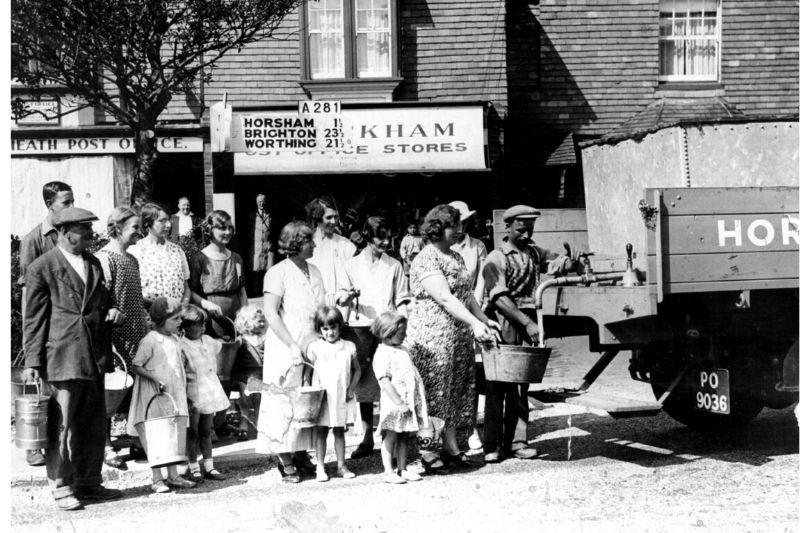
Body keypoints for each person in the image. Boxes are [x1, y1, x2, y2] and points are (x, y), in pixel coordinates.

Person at [23, 206, 124, 510]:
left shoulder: (92, 263)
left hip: (94, 356)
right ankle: (61, 486)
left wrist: (112, 310)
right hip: (62, 356)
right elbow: (34, 320)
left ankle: (89, 482)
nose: (92, 235)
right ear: (65, 233)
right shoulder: (42, 267)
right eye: (85, 230)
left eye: (91, 229)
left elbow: (103, 302)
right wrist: (32, 362)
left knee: (93, 424)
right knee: (62, 425)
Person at [405, 204, 499, 471]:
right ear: (437, 228)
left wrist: (483, 319)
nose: (459, 230)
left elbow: (466, 296)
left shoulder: (455, 257)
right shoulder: (426, 258)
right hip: (433, 338)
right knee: (434, 394)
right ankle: (427, 451)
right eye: (454, 225)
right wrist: (473, 322)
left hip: (457, 337)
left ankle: (451, 447)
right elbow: (445, 297)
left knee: (456, 392)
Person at [481, 205, 577, 463]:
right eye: (521, 230)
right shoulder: (496, 258)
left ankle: (518, 443)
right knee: (497, 385)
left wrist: (571, 261)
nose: (526, 234)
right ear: (508, 228)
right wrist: (527, 323)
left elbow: (555, 262)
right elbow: (499, 298)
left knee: (520, 385)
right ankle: (492, 445)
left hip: (526, 322)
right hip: (502, 323)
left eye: (530, 229)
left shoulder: (533, 252)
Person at [254, 221, 324, 483]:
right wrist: (293, 345)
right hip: (285, 345)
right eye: (309, 241)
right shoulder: (277, 272)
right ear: (295, 244)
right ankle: (284, 456)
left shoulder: (315, 270)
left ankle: (301, 451)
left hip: (311, 342)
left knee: (307, 399)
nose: (314, 245)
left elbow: (320, 307)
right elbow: (271, 313)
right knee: (284, 397)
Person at [341, 216, 411, 460]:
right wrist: (346, 297)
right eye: (380, 237)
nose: (386, 241)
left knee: (390, 380)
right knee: (365, 382)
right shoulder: (352, 265)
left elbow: (402, 297)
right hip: (360, 327)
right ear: (367, 237)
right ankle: (366, 437)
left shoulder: (394, 264)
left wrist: (402, 327)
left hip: (387, 328)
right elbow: (341, 295)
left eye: (388, 236)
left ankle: (390, 436)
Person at [18, 180, 74, 467]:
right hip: (46, 320)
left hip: (68, 321)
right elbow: (29, 292)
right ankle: (34, 443)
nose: (71, 206)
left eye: (72, 200)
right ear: (49, 205)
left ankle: (62, 443)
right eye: (66, 202)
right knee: (40, 384)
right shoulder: (34, 240)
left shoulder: (72, 235)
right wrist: (31, 344)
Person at [95, 207, 150, 470]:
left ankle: (136, 439)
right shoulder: (104, 259)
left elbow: (132, 297)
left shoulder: (132, 259)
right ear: (117, 229)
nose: (139, 232)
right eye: (134, 227)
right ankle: (105, 446)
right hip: (114, 336)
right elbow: (99, 300)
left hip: (137, 332)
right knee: (111, 390)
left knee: (136, 386)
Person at [127, 297, 196, 493]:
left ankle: (174, 475)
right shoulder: (150, 340)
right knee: (157, 434)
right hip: (155, 395)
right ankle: (157, 478)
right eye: (175, 319)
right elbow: (136, 365)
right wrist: (155, 379)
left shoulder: (174, 339)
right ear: (160, 321)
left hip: (174, 392)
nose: (180, 322)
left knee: (172, 433)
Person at [448, 200, 489, 453]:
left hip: (472, 313)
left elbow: (482, 280)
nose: (461, 226)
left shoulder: (477, 246)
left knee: (473, 374)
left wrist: (477, 315)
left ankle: (472, 426)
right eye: (457, 221)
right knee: (451, 375)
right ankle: (450, 429)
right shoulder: (441, 247)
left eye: (464, 221)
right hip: (449, 315)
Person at [372, 311, 428, 484]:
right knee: (391, 436)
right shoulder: (382, 354)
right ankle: (388, 471)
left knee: (404, 436)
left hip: (408, 401)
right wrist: (399, 402)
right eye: (401, 333)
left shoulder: (403, 349)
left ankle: (402, 469)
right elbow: (385, 381)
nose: (405, 336)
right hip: (395, 403)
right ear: (388, 334)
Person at [306, 306, 360, 482]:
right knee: (321, 431)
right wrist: (309, 393)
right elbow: (308, 373)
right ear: (320, 329)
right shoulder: (315, 348)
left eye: (333, 327)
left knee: (339, 431)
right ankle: (320, 467)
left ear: (340, 326)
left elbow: (357, 370)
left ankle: (341, 466)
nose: (330, 332)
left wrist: (351, 388)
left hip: (340, 395)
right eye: (325, 329)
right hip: (322, 396)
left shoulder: (348, 347)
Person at [180, 304, 230, 482]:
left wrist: (228, 336)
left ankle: (209, 466)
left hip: (210, 390)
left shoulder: (208, 340)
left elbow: (223, 344)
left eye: (203, 324)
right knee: (192, 431)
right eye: (197, 325)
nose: (202, 328)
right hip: (193, 392)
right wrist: (186, 398)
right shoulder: (181, 345)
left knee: (207, 430)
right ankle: (193, 467)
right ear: (184, 327)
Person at [189, 210, 248, 338]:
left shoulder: (236, 258)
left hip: (236, 316)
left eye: (230, 228)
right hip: (211, 317)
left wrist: (245, 315)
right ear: (210, 230)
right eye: (222, 228)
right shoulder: (199, 259)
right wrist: (207, 305)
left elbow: (242, 290)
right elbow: (191, 292)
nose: (228, 232)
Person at [129, 202, 192, 306]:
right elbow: (130, 291)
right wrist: (158, 307)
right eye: (162, 221)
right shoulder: (135, 251)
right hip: (147, 316)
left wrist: (183, 306)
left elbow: (186, 287)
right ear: (147, 223)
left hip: (176, 315)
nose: (168, 225)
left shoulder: (177, 251)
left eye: (168, 220)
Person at [305, 196, 356, 308]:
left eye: (336, 217)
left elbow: (357, 278)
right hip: (314, 309)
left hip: (342, 310)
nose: (333, 222)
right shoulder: (305, 247)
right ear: (317, 218)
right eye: (328, 217)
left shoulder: (347, 245)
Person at [231, 304, 268, 439]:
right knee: (245, 401)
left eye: (264, 320)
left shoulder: (266, 338)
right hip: (245, 375)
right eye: (259, 321)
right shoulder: (242, 340)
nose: (263, 323)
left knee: (259, 400)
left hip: (262, 374)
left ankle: (260, 426)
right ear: (246, 322)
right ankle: (244, 424)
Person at [247, 193, 274, 296]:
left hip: (268, 246)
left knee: (269, 269)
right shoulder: (252, 215)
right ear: (256, 203)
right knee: (256, 270)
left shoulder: (270, 214)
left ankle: (268, 290)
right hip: (256, 246)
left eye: (263, 201)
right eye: (259, 202)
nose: (261, 204)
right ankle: (255, 291)